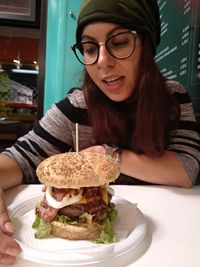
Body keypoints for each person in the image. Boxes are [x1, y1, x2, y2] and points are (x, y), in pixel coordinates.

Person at [0, 0, 200, 264]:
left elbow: (186, 169)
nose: (102, 62)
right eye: (90, 48)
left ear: (146, 47)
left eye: (119, 43)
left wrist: (109, 156)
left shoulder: (172, 97)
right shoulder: (75, 106)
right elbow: (17, 158)